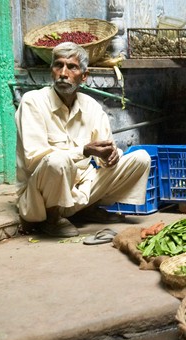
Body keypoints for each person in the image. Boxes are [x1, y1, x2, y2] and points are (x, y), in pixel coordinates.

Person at [15, 42, 151, 237]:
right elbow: (33, 159)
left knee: (141, 158)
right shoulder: (33, 102)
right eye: (58, 65)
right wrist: (84, 151)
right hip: (40, 199)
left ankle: (86, 209)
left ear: (84, 76)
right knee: (58, 161)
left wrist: (110, 156)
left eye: (72, 67)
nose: (63, 73)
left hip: (82, 190)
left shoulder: (92, 107)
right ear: (51, 71)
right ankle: (52, 218)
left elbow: (104, 153)